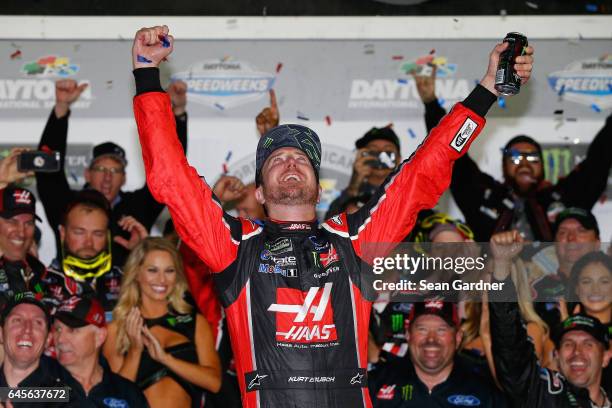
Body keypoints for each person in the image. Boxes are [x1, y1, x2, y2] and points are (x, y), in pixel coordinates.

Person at [130, 24, 533, 407]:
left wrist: (485, 91)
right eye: (276, 158)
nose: (290, 159)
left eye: (301, 158)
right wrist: (147, 75)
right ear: (258, 192)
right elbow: (170, 177)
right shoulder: (234, 246)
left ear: (319, 187)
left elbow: (424, 171)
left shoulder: (353, 239)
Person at [414, 67, 612, 242]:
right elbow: (452, 156)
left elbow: (598, 162)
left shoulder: (561, 199)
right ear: (503, 166)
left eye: (533, 158)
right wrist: (431, 105)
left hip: (554, 282)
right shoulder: (484, 196)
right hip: (489, 281)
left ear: (543, 166)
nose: (524, 163)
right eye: (515, 157)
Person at [35, 79, 189, 266]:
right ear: (87, 174)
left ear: (124, 178)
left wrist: (176, 114)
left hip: (126, 294)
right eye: (101, 169)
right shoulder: (68, 206)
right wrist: (61, 109)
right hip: (69, 292)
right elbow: (47, 173)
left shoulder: (137, 208)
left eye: (115, 170)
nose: (107, 176)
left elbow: (169, 173)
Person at [489, 230, 611, 407]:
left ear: (606, 356)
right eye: (568, 344)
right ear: (556, 354)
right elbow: (510, 349)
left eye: (588, 344)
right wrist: (501, 268)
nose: (577, 352)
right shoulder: (542, 394)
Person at [103, 237, 221, 408]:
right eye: (152, 270)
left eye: (169, 271)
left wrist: (166, 359)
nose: (162, 280)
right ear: (136, 273)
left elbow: (214, 383)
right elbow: (116, 399)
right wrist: (135, 351)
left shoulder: (194, 322)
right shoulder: (117, 328)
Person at [368, 300, 507, 407]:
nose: (431, 339)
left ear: (458, 337)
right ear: (408, 335)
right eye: (422, 329)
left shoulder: (484, 387)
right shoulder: (378, 381)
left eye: (441, 330)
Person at [43, 190, 146, 313]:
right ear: (63, 233)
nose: (89, 243)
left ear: (107, 237)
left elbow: (164, 303)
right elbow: (19, 298)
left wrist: (143, 251)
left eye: (97, 234)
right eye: (79, 232)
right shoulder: (41, 282)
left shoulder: (125, 280)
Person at [53, 295, 149, 407]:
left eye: (72, 330)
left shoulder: (127, 393)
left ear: (99, 337)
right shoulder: (42, 386)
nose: (60, 339)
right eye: (58, 329)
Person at [0, 292, 76, 408]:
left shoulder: (64, 397)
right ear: (1, 334)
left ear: (48, 339)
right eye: (17, 320)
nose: (27, 329)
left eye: (37, 323)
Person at [532, 207, 601, 330]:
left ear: (597, 243)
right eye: (563, 232)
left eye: (581, 231)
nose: (571, 238)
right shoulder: (536, 289)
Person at [326, 126, 401, 218]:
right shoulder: (352, 194)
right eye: (373, 151)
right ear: (363, 156)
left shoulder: (410, 190)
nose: (381, 156)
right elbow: (330, 226)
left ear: (398, 159)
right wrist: (354, 184)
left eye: (388, 151)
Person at [0, 186, 48, 308]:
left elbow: (41, 297)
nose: (22, 233)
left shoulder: (36, 271)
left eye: (29, 223)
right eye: (12, 221)